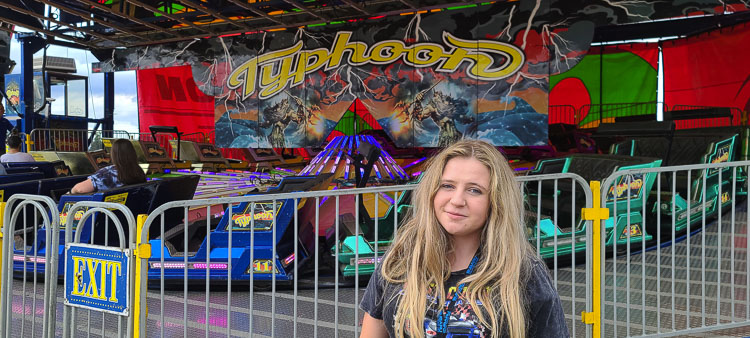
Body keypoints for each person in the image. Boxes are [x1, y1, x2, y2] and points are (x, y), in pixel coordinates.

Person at [360, 140, 568, 338]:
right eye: (447, 186)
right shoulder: (400, 260)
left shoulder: (524, 272)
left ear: (496, 201)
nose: (457, 200)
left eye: (474, 190)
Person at [70, 139, 146, 194]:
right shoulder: (139, 171)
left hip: (107, 214)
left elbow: (79, 189)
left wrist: (71, 192)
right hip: (130, 212)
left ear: (113, 154)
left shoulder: (107, 173)